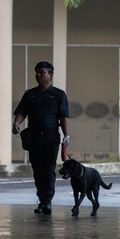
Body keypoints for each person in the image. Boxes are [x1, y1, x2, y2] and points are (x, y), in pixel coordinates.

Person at [12, 61, 70, 215]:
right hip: (34, 137)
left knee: (49, 170)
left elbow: (63, 116)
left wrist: (67, 135)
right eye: (36, 72)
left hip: (51, 137)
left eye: (41, 72)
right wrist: (16, 124)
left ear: (50, 76)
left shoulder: (59, 94)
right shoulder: (30, 94)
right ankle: (43, 199)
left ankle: (47, 201)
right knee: (37, 171)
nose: (38, 75)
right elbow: (21, 112)